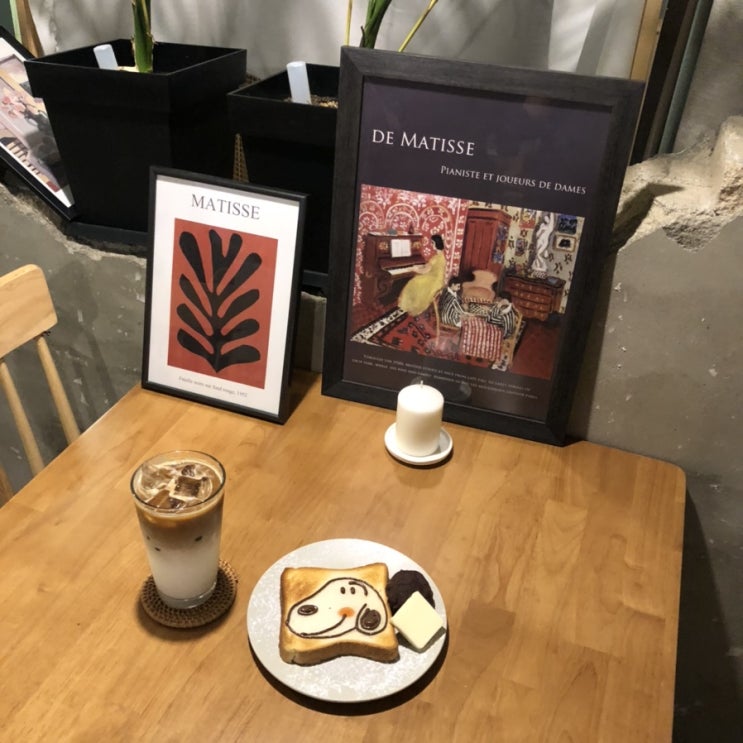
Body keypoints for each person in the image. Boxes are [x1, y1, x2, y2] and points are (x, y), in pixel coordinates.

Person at [398, 234, 447, 318]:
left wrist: (414, 269)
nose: (431, 245)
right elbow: (427, 266)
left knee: (413, 282)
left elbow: (425, 271)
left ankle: (412, 307)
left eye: (432, 243)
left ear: (436, 244)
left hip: (433, 282)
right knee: (416, 279)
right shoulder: (441, 256)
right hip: (439, 280)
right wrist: (418, 266)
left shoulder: (435, 258)